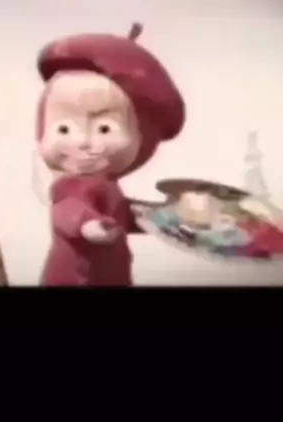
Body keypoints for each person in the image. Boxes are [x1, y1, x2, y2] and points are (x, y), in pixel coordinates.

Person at [36, 24, 185, 285]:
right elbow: (66, 210)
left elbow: (121, 214)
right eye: (64, 129)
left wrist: (161, 219)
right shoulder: (71, 186)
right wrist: (88, 225)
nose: (82, 142)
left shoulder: (106, 186)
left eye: (104, 129)